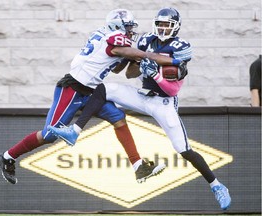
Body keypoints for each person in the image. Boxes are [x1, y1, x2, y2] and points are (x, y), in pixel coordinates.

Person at [48, 8, 232, 210]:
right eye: (160, 24)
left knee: (184, 149)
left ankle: (217, 186)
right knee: (103, 88)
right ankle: (74, 131)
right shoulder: (145, 41)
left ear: (176, 27)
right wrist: (139, 63)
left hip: (164, 102)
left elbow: (172, 88)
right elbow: (129, 74)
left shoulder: (181, 47)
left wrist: (155, 74)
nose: (163, 28)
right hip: (142, 96)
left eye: (167, 25)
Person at [0, 8, 184, 185]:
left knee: (118, 118)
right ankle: (7, 157)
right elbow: (141, 54)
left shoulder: (110, 38)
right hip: (72, 88)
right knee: (49, 135)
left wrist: (130, 58)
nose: (130, 32)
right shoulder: (115, 40)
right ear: (118, 27)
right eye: (127, 28)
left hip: (91, 91)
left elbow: (118, 68)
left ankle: (138, 166)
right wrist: (172, 60)